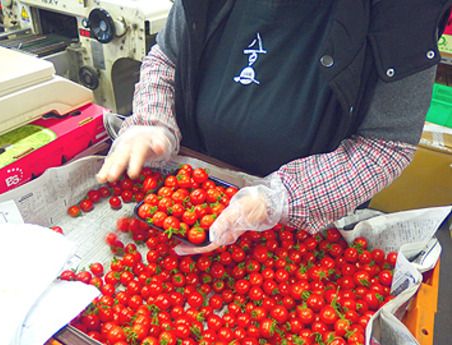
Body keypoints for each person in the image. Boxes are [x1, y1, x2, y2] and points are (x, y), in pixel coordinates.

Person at [97, 0, 451, 255]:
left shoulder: (403, 12)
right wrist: (152, 120)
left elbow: (386, 145)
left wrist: (281, 199)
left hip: (304, 229)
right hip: (196, 197)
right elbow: (168, 57)